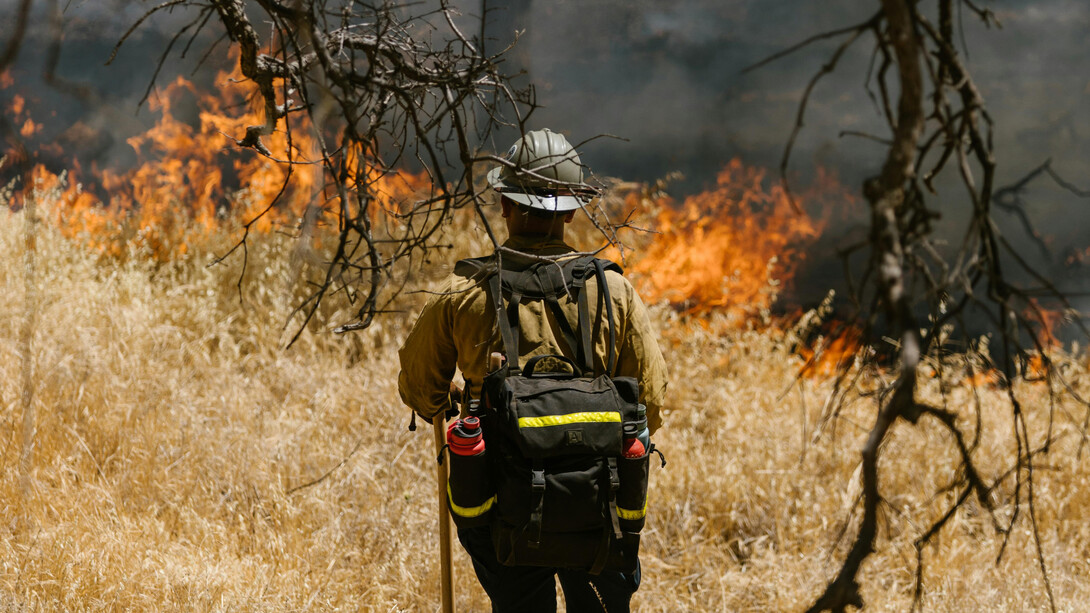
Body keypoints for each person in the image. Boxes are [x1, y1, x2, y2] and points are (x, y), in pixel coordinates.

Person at [397, 128, 668, 612]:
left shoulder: (464, 291)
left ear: (504, 204)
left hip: (501, 504)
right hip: (598, 502)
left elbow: (420, 388)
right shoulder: (614, 291)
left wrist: (454, 398)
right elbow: (650, 400)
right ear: (571, 211)